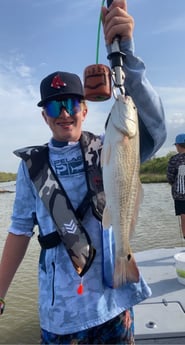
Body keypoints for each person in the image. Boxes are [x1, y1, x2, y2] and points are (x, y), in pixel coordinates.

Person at [0, 0, 166, 344]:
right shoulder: (32, 166)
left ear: (85, 109)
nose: (65, 113)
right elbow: (18, 232)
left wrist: (127, 54)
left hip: (114, 303)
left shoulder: (108, 146)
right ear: (44, 116)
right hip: (61, 317)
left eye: (72, 104)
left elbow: (156, 129)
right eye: (55, 106)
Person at [167, 133, 185, 239]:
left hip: (180, 195)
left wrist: (173, 184)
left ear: (178, 145)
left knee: (183, 217)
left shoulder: (174, 159)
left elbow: (170, 176)